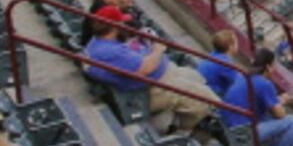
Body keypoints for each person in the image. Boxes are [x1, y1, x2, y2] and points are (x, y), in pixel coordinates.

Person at [81, 22, 209, 132]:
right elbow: (145, 69)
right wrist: (158, 49)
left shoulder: (99, 42)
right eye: (121, 23)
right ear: (113, 28)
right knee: (204, 99)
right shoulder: (111, 52)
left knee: (198, 78)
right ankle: (181, 132)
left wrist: (139, 43)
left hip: (161, 74)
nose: (125, 25)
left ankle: (187, 116)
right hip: (149, 89)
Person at [209, 47, 293, 146]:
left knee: (268, 114)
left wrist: (278, 101)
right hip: (242, 134)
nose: (274, 69)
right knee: (292, 122)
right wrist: (285, 101)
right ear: (267, 66)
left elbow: (256, 100)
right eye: (273, 65)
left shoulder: (242, 76)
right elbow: (280, 114)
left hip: (226, 127)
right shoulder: (265, 83)